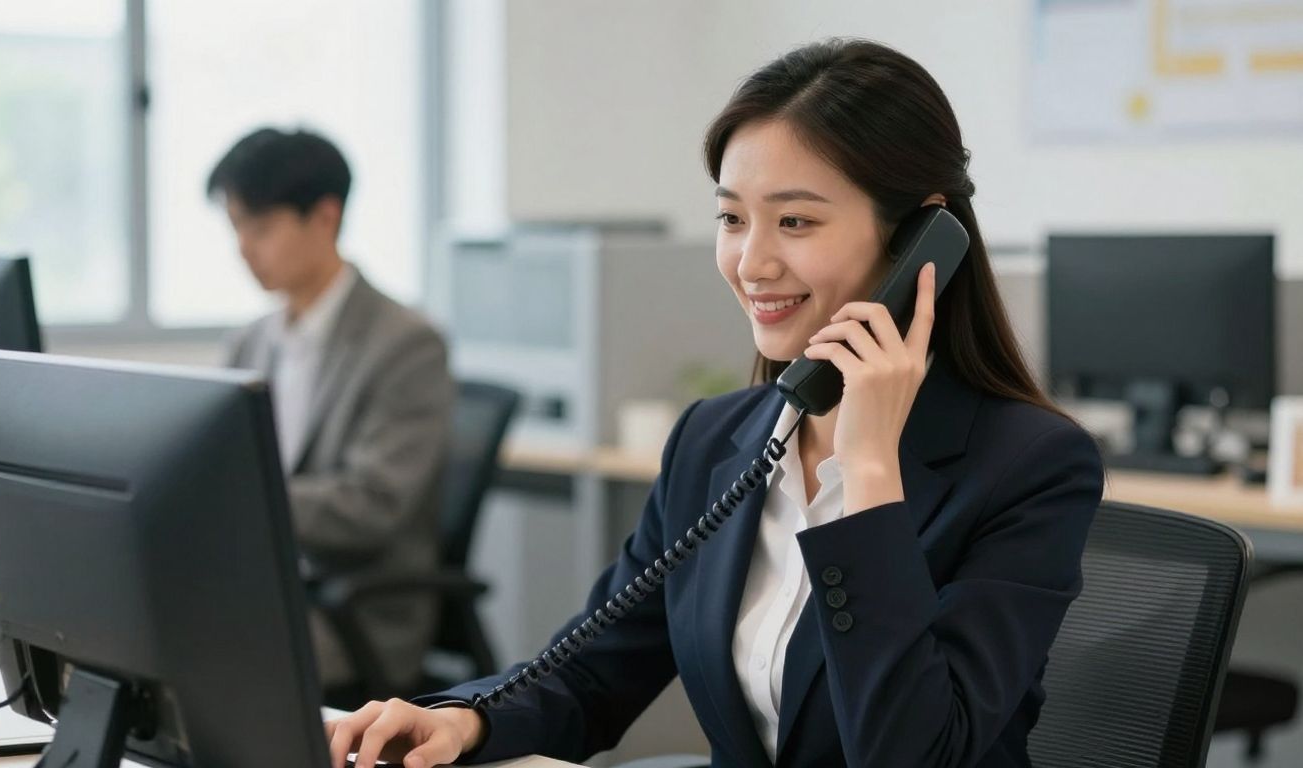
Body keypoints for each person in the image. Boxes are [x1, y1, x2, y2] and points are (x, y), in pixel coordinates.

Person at [325, 39, 1104, 768]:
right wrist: (467, 719)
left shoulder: (1028, 465)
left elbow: (915, 751)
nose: (751, 262)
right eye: (732, 218)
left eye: (795, 221)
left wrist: (868, 476)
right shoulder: (717, 440)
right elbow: (598, 669)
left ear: (920, 241)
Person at [209, 127, 452, 693]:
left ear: (325, 217)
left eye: (260, 228)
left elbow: (373, 507)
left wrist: (244, 496)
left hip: (349, 612)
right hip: (261, 590)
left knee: (196, 656)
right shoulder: (247, 343)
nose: (244, 248)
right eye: (236, 228)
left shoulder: (405, 343)